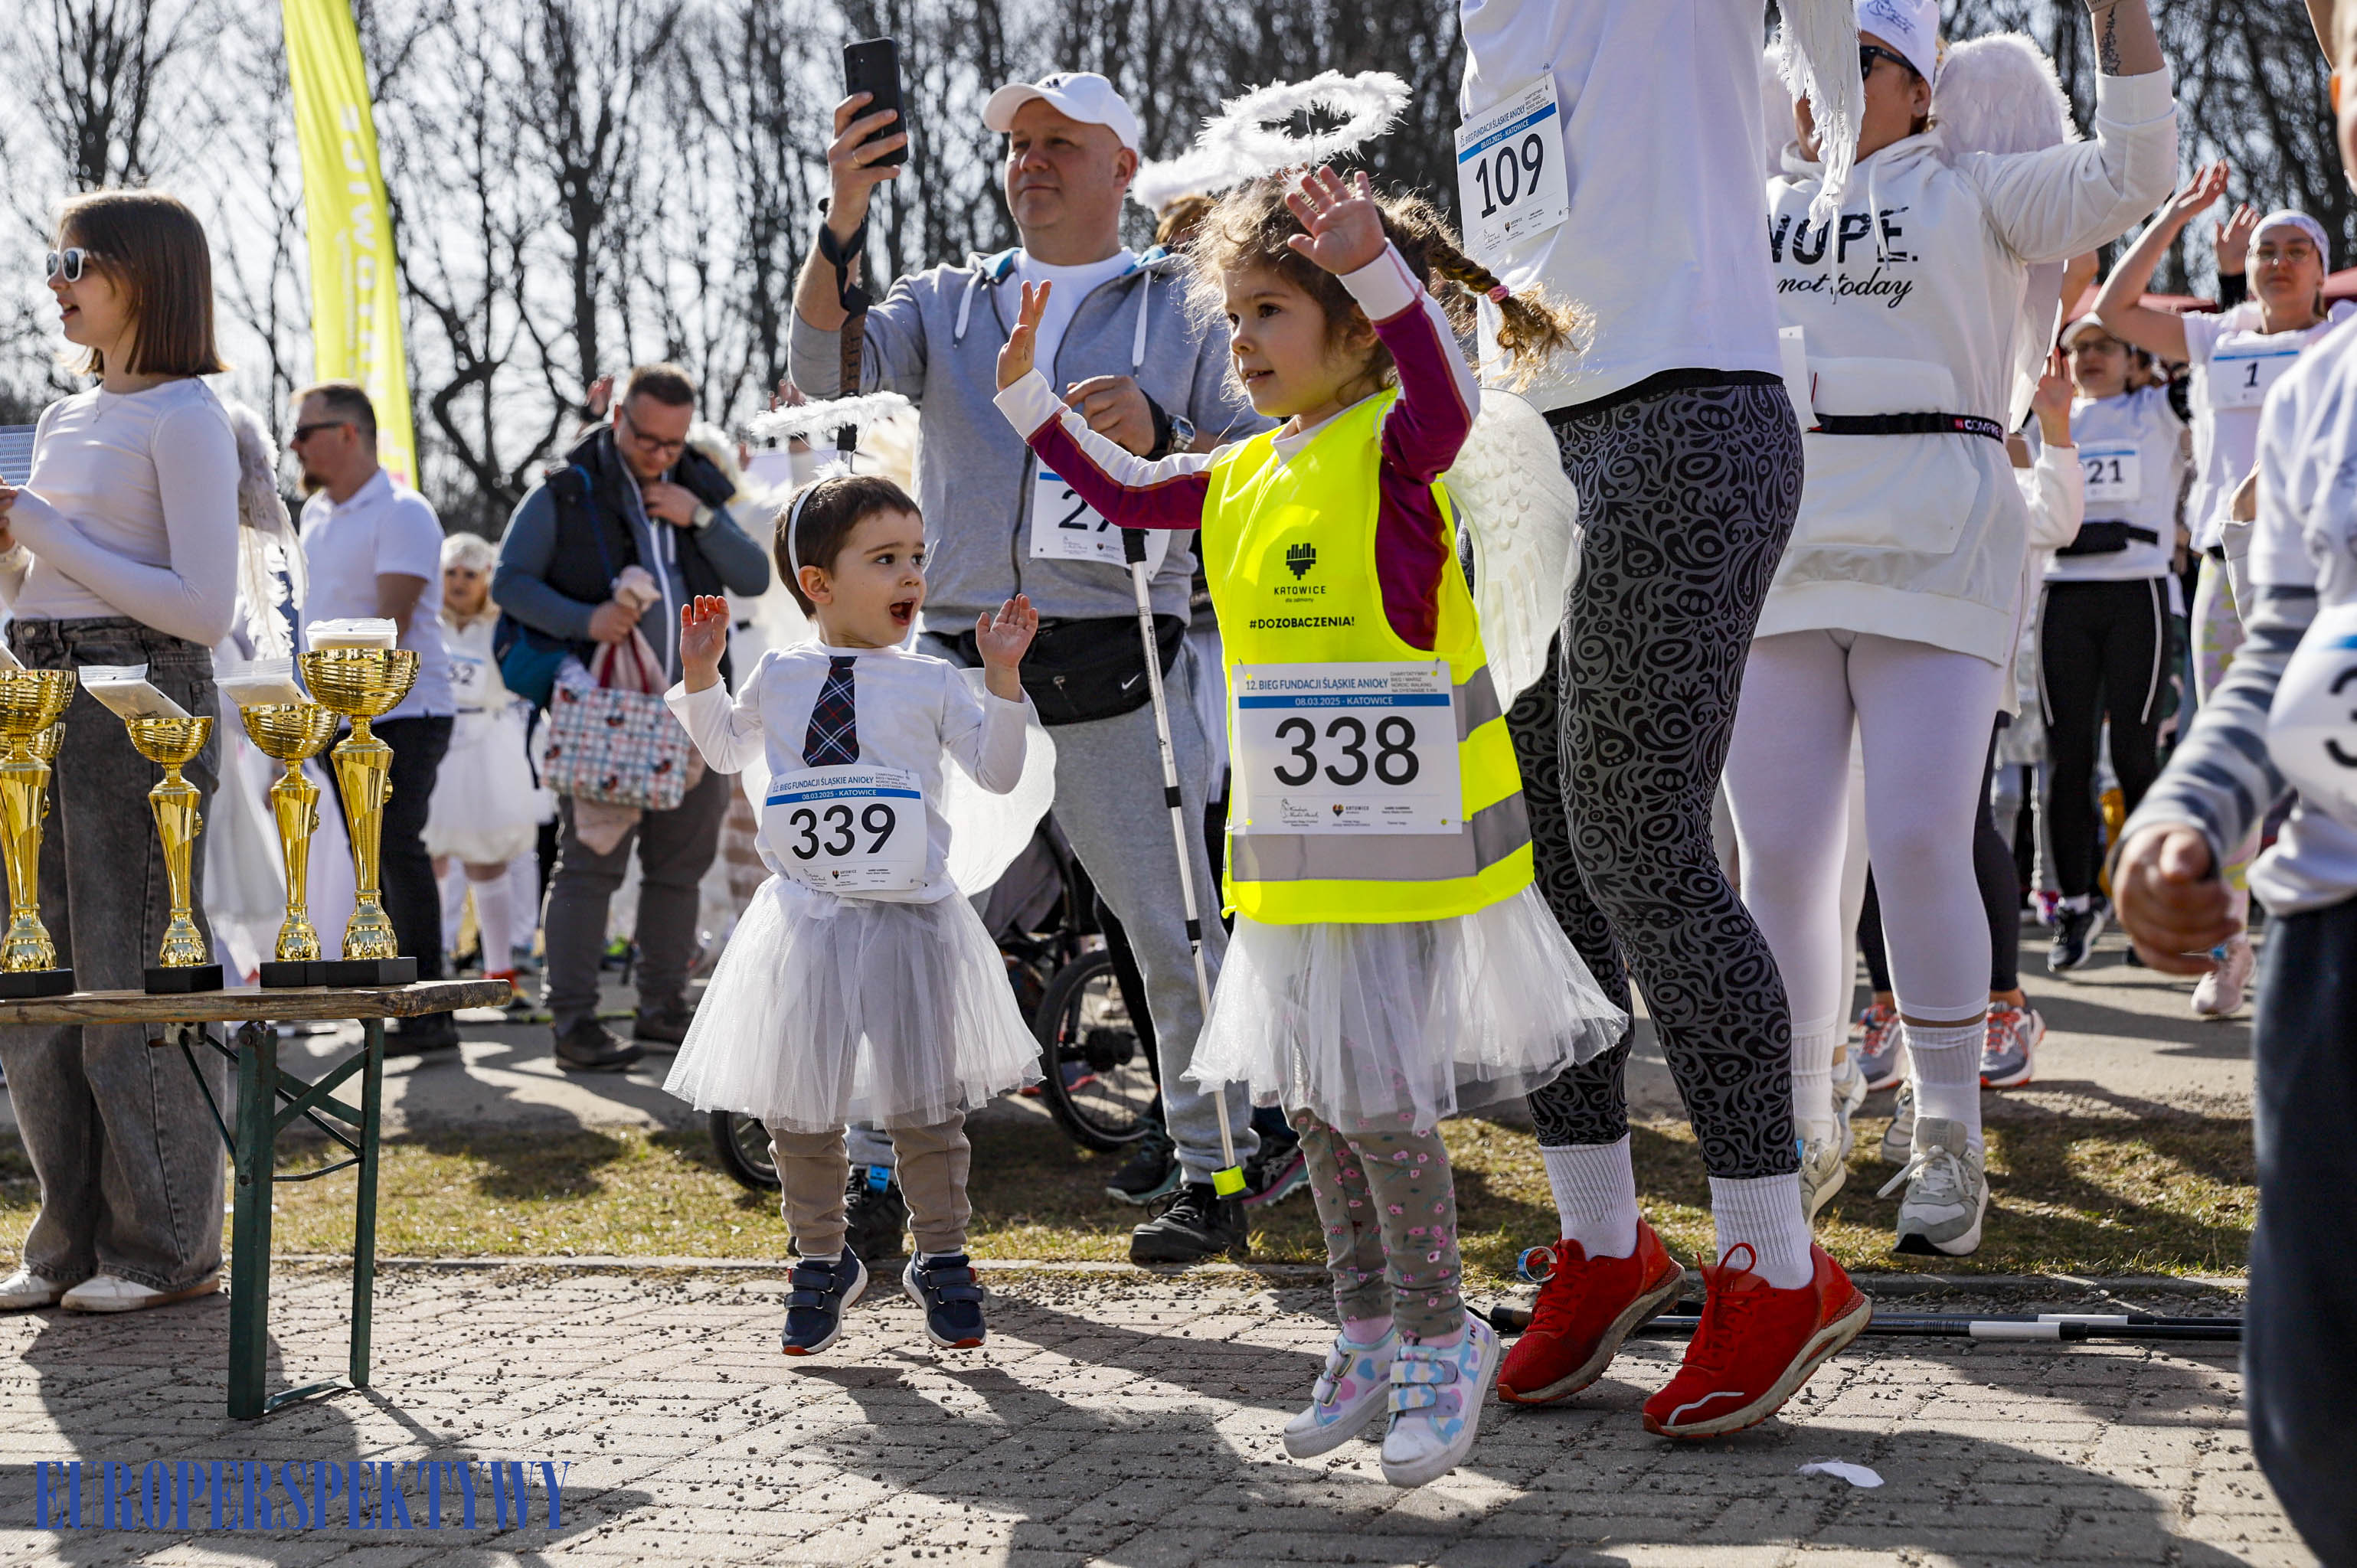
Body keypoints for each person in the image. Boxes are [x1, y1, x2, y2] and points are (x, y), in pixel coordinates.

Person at [997, 165, 1627, 1481]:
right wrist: (1021, 403)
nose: (1239, 343)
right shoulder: (1234, 473)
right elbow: (1121, 492)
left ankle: (1440, 1339)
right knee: (1316, 1106)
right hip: (1287, 862)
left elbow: (1449, 404)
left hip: (1401, 859)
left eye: (1268, 311)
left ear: (1348, 330)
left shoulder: (1395, 445)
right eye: (1230, 319)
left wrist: (1385, 274)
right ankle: (1360, 1330)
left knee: (1382, 1101)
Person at [1455, 0, 1863, 1426]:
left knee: (1639, 845)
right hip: (1522, 440)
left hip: (1682, 410)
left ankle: (1773, 1260)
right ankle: (1603, 1235)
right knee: (1546, 862)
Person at [788, 70, 1268, 1263]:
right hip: (952, 654)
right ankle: (877, 1179)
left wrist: (1165, 436)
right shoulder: (949, 297)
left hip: (1118, 652)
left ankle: (1216, 1173)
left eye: (1061, 143)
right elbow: (825, 370)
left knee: (1168, 925)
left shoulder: (1188, 308)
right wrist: (840, 218)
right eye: (1017, 144)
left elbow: (1264, 451)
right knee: (892, 916)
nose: (1031, 163)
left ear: (1123, 168)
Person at [1721, 0, 2173, 1263]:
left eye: (1857, 60)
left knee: (1921, 833)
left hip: (1936, 535)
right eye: (1809, 61)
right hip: (1783, 548)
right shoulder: (1748, 200)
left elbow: (2136, 170)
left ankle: (1945, 1134)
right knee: (1784, 860)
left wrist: (2118, 18)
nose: (1824, 82)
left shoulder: (1979, 189)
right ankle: (1805, 1115)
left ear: (1920, 90)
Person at [2111, 11, 2357, 1548]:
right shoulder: (2325, 390)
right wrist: (2191, 810)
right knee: (2312, 1384)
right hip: (2332, 940)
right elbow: (2273, 651)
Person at [662, 478, 1041, 1355]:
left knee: (924, 1102)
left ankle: (942, 1254)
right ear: (818, 582)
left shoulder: (934, 681)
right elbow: (725, 745)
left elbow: (999, 771)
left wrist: (1005, 680)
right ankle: (821, 1256)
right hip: (808, 920)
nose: (910, 574)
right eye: (885, 559)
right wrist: (701, 672)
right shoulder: (783, 674)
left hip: (910, 917)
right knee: (801, 1105)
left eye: (917, 557)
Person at [0, 191, 239, 1312]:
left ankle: (167, 1246)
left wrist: (40, 530)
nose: (55, 278)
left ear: (143, 272)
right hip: (34, 690)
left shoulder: (191, 417)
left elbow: (201, 607)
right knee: (34, 982)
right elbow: (48, 577)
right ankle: (66, 1245)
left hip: (140, 696)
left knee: (127, 973)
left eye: (74, 259)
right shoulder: (62, 417)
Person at [2091, 165, 2350, 1010]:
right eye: (2266, 250)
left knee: (2327, 749)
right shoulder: (2223, 337)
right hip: (2223, 564)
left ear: (2322, 267)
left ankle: (2323, 939)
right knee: (2229, 740)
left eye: (2296, 251)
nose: (2278, 262)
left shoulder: (2342, 340)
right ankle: (2228, 949)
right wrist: (2173, 215)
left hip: (2323, 573)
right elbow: (2112, 313)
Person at [492, 364, 771, 1073]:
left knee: (680, 868)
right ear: (618, 416)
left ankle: (661, 1008)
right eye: (646, 438)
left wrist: (697, 515)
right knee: (590, 866)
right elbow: (510, 583)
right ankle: (575, 1023)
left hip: (696, 705)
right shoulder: (567, 487)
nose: (658, 454)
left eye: (673, 442)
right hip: (606, 710)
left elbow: (755, 578)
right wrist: (589, 619)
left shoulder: (696, 481)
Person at [293, 381, 459, 1050]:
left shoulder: (403, 511)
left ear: (348, 434)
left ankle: (428, 1012)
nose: (295, 446)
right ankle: (395, 1000)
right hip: (338, 715)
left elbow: (387, 621)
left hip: (407, 709)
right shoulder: (314, 516)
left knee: (396, 848)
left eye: (305, 433)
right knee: (371, 857)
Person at [2028, 318, 2188, 978]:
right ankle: (2075, 902)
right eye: (2078, 347)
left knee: (2133, 753)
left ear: (2131, 360)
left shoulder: (2155, 409)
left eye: (2103, 346)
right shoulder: (2044, 417)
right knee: (2066, 761)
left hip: (2137, 596)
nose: (2089, 357)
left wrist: (2231, 280)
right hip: (2064, 595)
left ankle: (2152, 909)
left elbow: (2207, 364)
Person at [426, 532, 539, 993]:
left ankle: (499, 968)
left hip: (490, 745)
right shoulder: (427, 624)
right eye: (451, 572)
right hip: (437, 746)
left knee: (488, 857)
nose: (458, 582)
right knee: (430, 854)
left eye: (469, 574)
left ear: (486, 578)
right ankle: (431, 959)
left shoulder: (504, 625)